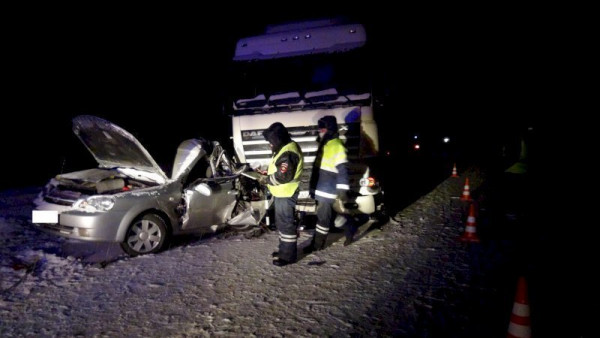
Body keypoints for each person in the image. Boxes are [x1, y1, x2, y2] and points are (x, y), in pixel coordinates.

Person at [305, 115, 356, 252]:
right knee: (330, 216)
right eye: (319, 130)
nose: (320, 132)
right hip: (322, 189)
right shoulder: (325, 145)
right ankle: (349, 225)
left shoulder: (336, 145)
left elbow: (343, 169)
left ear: (330, 129)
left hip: (327, 190)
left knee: (323, 219)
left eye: (323, 129)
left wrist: (342, 190)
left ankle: (316, 245)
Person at [257, 122, 304, 266]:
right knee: (282, 224)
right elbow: (280, 170)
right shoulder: (285, 148)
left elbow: (283, 176)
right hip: (282, 193)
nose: (270, 145)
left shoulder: (288, 152)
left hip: (286, 193)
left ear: (278, 139)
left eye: (271, 142)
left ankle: (288, 257)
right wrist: (267, 173)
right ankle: (284, 250)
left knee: (286, 225)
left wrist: (266, 180)